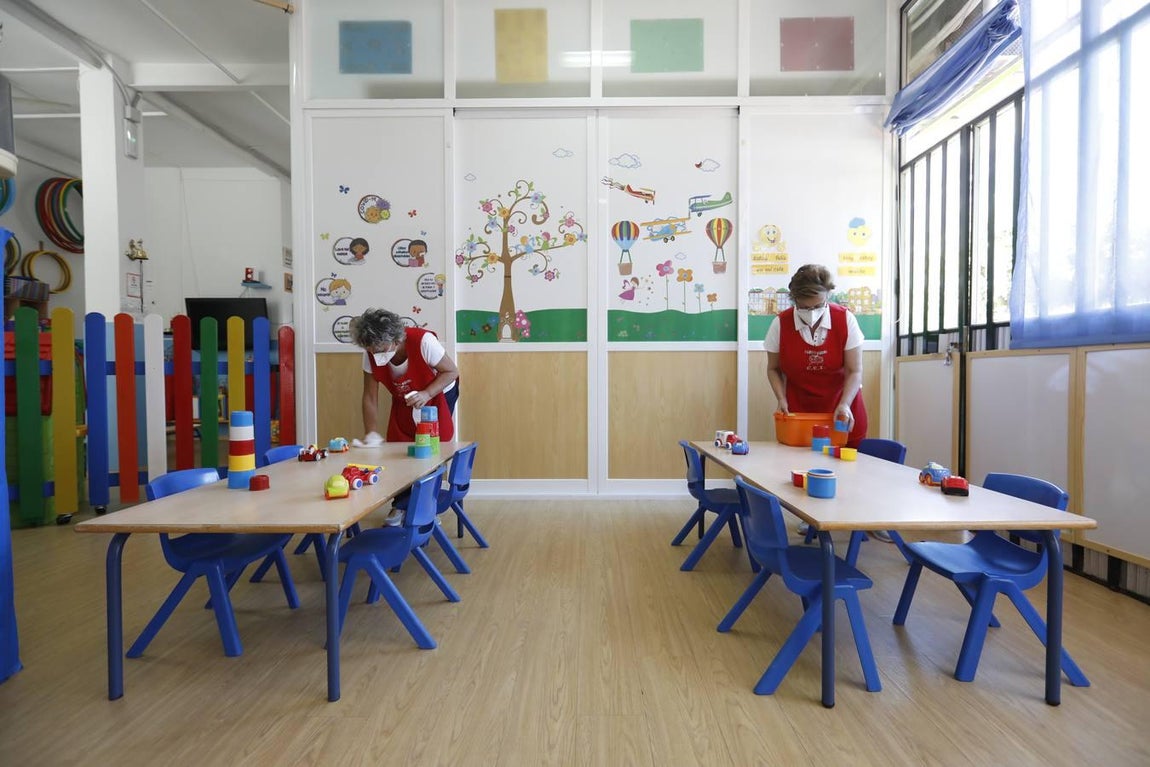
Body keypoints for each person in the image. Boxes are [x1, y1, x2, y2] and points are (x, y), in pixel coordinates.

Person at [765, 264, 867, 447]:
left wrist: (845, 404)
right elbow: (773, 368)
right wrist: (781, 398)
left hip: (842, 410)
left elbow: (854, 370)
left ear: (828, 296)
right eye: (804, 307)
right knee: (800, 462)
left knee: (846, 461)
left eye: (818, 306)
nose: (812, 313)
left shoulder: (845, 320)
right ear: (794, 300)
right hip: (800, 414)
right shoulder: (780, 324)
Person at [351, 308, 459, 447]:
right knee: (400, 438)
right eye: (370, 350)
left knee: (432, 440)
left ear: (396, 340)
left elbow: (451, 372)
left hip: (439, 392)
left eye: (380, 350)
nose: (375, 355)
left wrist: (427, 394)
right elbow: (370, 396)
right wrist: (371, 432)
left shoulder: (423, 341)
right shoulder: (371, 352)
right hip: (404, 395)